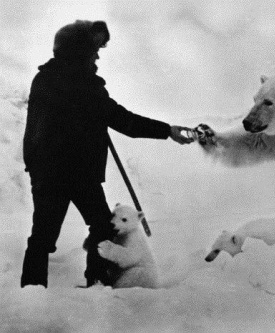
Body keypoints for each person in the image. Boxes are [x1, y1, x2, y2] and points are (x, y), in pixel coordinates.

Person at [21, 20, 194, 288]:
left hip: (61, 174)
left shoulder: (50, 79)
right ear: (79, 52)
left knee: (63, 233)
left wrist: (166, 130)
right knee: (90, 228)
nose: (98, 55)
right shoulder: (84, 85)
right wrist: (167, 130)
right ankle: (89, 284)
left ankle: (45, 291)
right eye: (94, 50)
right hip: (65, 174)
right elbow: (124, 121)